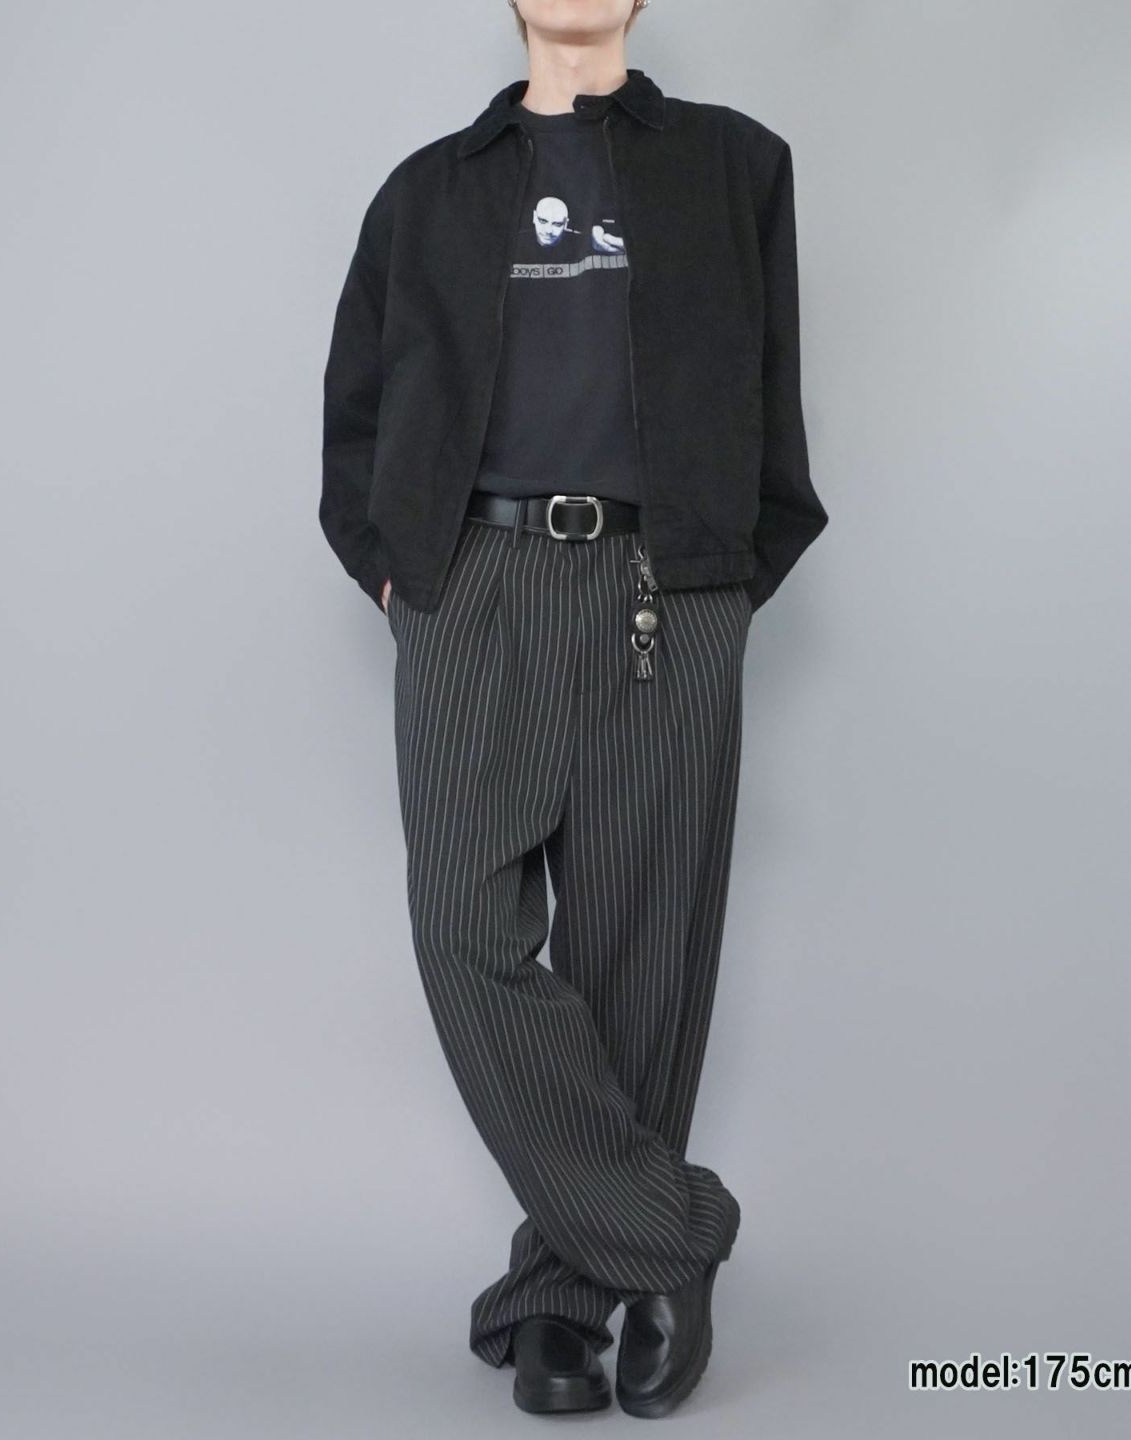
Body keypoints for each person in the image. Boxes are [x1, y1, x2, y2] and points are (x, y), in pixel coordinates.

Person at [319, 0, 828, 1418]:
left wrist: (733, 571)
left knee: (637, 956)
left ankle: (560, 1293)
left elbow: (775, 393)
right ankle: (672, 1241)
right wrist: (395, 571)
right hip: (473, 582)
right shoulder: (427, 192)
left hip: (669, 585)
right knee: (463, 932)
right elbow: (355, 410)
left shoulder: (735, 164)